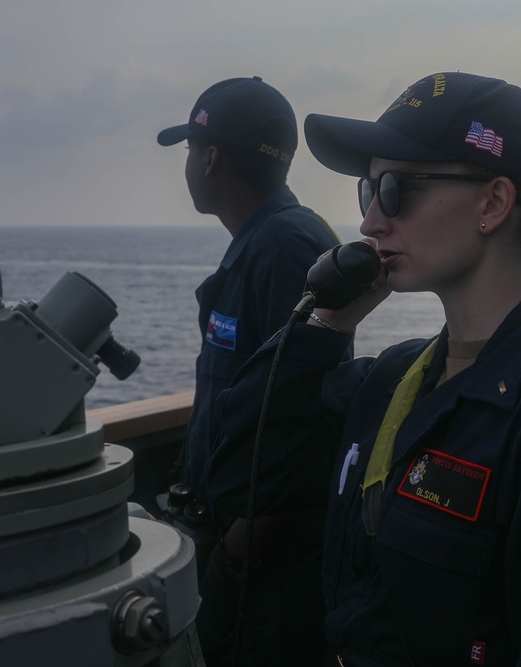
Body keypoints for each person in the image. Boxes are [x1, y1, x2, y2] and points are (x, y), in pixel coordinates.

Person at [207, 72, 521, 666]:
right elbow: (237, 479)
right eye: (367, 193)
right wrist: (326, 326)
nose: (370, 223)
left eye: (396, 189)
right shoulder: (390, 381)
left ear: (493, 203)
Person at [157, 76, 342, 666]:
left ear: (211, 159)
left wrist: (239, 555)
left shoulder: (285, 248)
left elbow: (302, 413)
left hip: (263, 561)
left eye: (190, 149)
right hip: (239, 541)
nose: (188, 163)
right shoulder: (268, 241)